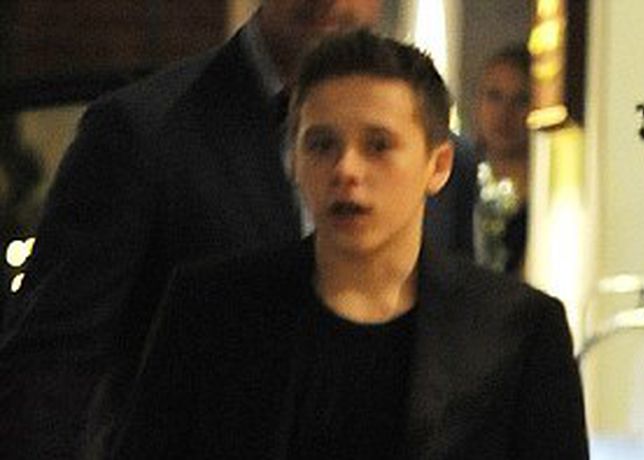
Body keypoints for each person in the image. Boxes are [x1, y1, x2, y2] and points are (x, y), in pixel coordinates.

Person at [0, 1, 477, 458]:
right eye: (320, 145)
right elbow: (53, 368)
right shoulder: (143, 133)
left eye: (377, 145)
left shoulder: (432, 162)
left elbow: (451, 357)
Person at [115, 30, 589, 459]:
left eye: (378, 145)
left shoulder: (518, 330)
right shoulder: (211, 310)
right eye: (321, 145)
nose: (346, 170)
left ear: (438, 165)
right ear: (293, 160)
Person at [471, 44, 530, 274]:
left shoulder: (546, 197)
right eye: (494, 96)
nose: (505, 113)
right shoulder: (457, 182)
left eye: (521, 100)